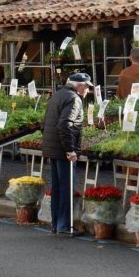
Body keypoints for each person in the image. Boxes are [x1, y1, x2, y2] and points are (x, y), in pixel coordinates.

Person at [42, 72, 93, 234]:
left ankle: (56, 224)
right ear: (79, 86)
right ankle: (65, 226)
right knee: (66, 188)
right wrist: (70, 150)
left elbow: (46, 123)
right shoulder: (74, 99)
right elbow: (65, 124)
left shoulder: (58, 95)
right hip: (63, 150)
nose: (88, 91)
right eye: (87, 87)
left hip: (53, 149)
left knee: (57, 188)